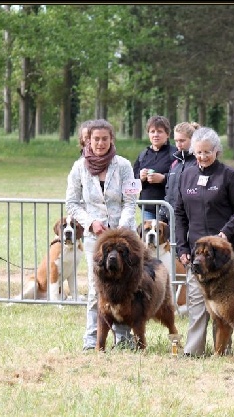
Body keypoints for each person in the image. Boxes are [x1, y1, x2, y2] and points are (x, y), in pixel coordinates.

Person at [175, 126, 234, 357]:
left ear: (217, 151)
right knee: (197, 303)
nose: (202, 156)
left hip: (227, 252)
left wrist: (226, 232)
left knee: (226, 304)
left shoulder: (229, 175)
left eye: (207, 152)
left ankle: (224, 350)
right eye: (198, 152)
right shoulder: (186, 174)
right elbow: (179, 213)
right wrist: (182, 246)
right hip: (198, 253)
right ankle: (193, 351)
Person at [66, 119, 138, 351]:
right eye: (96, 139)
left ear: (111, 140)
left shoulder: (124, 165)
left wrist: (121, 230)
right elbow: (72, 203)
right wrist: (91, 223)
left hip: (124, 238)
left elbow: (131, 201)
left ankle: (124, 339)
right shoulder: (79, 167)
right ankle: (92, 339)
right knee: (98, 289)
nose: (100, 143)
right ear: (88, 140)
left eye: (104, 139)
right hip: (94, 239)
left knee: (125, 287)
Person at [133, 115, 177, 221]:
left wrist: (163, 179)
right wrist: (140, 177)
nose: (155, 135)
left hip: (168, 208)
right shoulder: (143, 155)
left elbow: (180, 178)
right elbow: (131, 182)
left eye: (160, 131)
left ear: (167, 134)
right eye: (152, 131)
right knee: (149, 237)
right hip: (147, 208)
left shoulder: (175, 154)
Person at [159, 121, 200, 224]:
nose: (178, 144)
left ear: (193, 140)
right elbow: (168, 192)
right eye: (176, 141)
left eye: (182, 140)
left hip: (190, 220)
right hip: (172, 218)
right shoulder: (175, 164)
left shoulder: (198, 162)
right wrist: (162, 215)